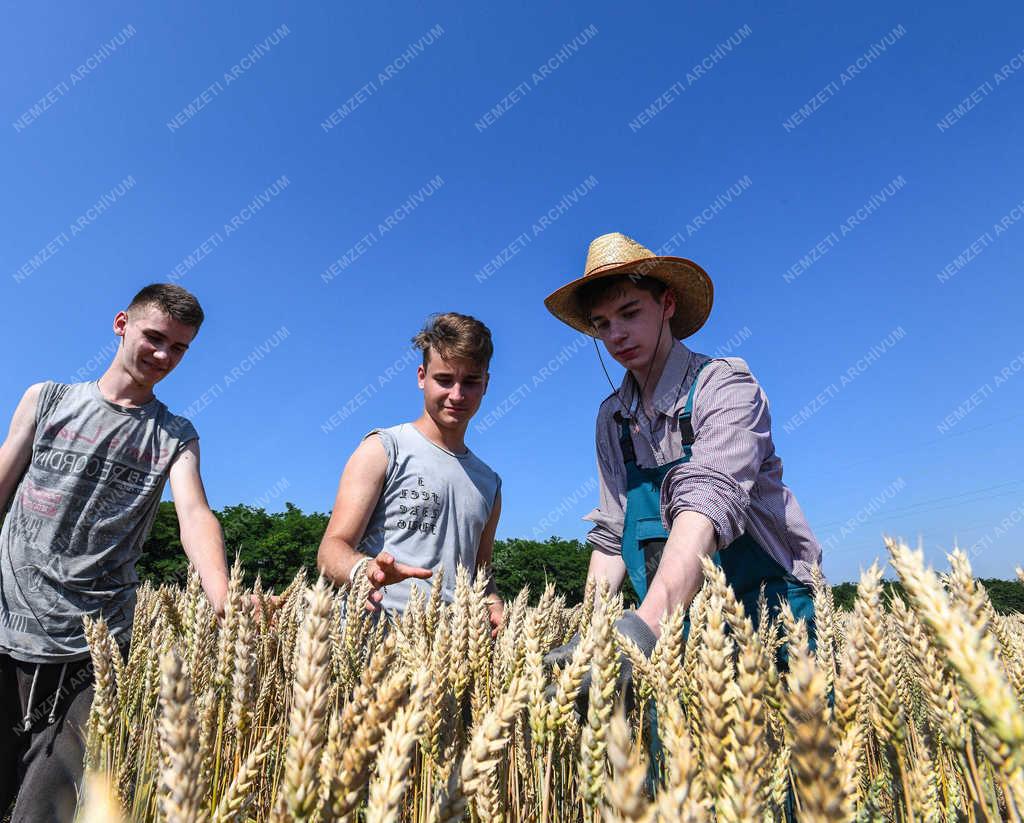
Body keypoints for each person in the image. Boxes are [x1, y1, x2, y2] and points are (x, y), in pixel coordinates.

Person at [543, 232, 821, 697]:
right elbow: (614, 535)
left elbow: (707, 504)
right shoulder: (612, 419)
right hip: (676, 624)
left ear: (667, 303)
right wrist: (594, 631)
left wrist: (642, 630)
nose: (616, 336)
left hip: (771, 612)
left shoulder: (725, 386)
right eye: (602, 323)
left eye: (630, 313)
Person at [0, 284, 234, 822]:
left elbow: (195, 515)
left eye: (179, 348)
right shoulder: (47, 399)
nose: (163, 356)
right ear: (121, 323)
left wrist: (220, 591)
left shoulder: (175, 436)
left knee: (45, 810)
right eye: (155, 338)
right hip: (9, 628)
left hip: (95, 647)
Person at [317, 312, 503, 630]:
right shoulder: (383, 448)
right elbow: (331, 548)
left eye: (471, 382)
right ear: (421, 376)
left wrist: (495, 603)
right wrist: (363, 570)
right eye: (444, 379)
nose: (457, 395)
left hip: (450, 658)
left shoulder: (490, 483)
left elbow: (480, 576)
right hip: (375, 646)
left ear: (485, 384)